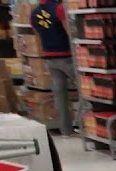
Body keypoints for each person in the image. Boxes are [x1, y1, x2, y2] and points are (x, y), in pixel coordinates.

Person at [31, 0, 73, 135]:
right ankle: (89, 127)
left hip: (49, 57)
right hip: (67, 56)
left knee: (60, 96)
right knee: (86, 92)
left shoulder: (34, 13)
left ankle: (66, 130)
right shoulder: (58, 8)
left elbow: (37, 37)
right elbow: (69, 32)